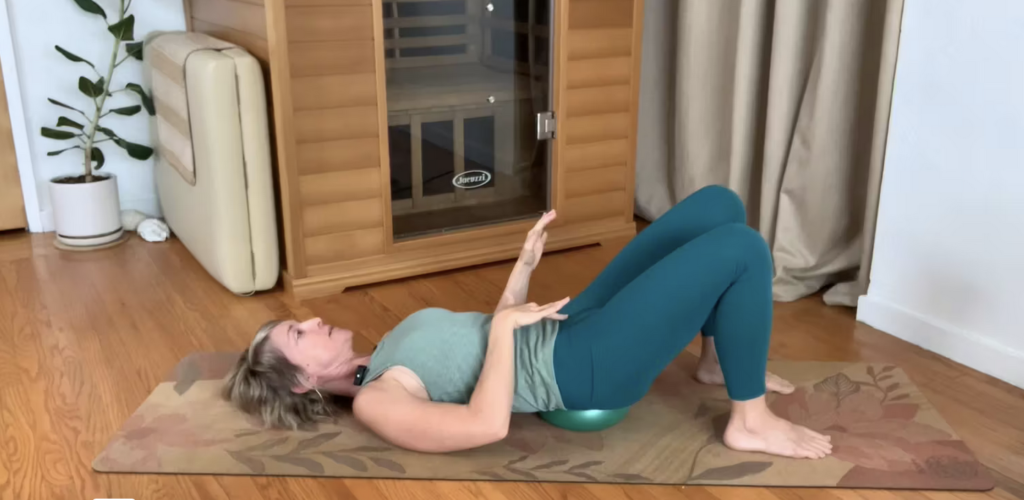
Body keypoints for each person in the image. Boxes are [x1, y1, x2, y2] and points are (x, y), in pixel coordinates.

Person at [223, 185, 833, 459]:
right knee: (741, 247)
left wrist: (522, 268)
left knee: (718, 205)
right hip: (582, 367)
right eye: (298, 335)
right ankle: (749, 422)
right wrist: (509, 331)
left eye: (299, 320)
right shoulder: (378, 401)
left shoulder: (379, 356)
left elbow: (485, 336)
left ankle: (717, 360)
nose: (313, 319)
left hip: (570, 322)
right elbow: (487, 423)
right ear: (302, 382)